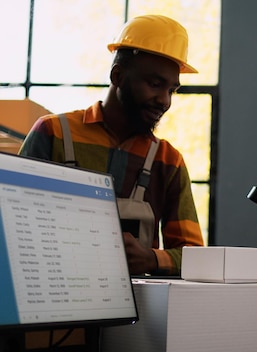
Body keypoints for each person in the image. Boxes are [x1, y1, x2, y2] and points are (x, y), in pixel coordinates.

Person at [18, 14, 205, 276]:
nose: (164, 101)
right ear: (117, 75)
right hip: (55, 297)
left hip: (139, 312)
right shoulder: (53, 134)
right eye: (154, 84)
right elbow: (14, 227)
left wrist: (151, 259)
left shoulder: (168, 161)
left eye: (171, 90)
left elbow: (195, 256)